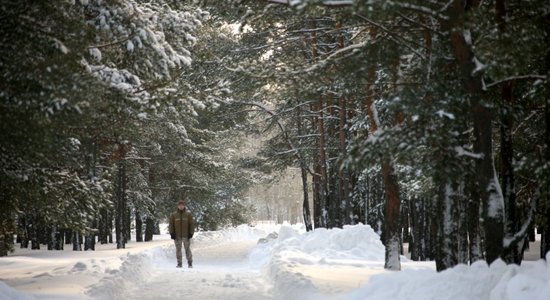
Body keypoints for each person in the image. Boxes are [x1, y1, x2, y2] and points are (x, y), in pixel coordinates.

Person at [169, 199, 195, 268]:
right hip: (177, 236)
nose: (181, 206)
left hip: (186, 236)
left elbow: (191, 224)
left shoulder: (188, 214)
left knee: (187, 249)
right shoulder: (173, 215)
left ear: (184, 206)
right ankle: (179, 263)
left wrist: (191, 233)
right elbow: (171, 225)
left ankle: (190, 263)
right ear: (178, 206)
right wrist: (172, 233)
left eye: (182, 205)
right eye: (179, 205)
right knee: (178, 250)